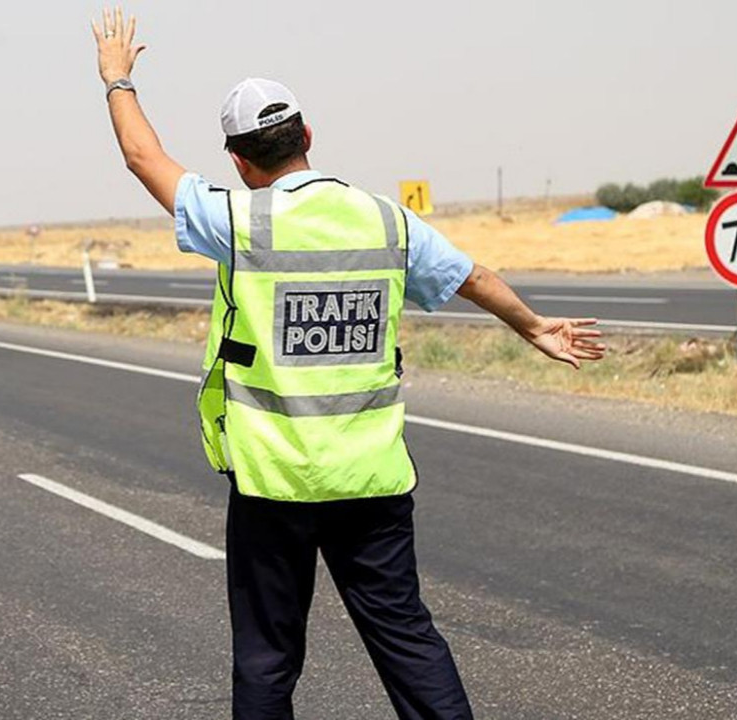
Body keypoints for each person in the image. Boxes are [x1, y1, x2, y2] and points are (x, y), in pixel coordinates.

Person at [91, 8, 606, 720]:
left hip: (274, 483)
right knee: (405, 637)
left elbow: (145, 159)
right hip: (371, 480)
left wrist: (118, 80)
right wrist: (533, 327)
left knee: (268, 657)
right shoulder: (387, 220)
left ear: (239, 163)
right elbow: (471, 274)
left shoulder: (240, 221)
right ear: (308, 137)